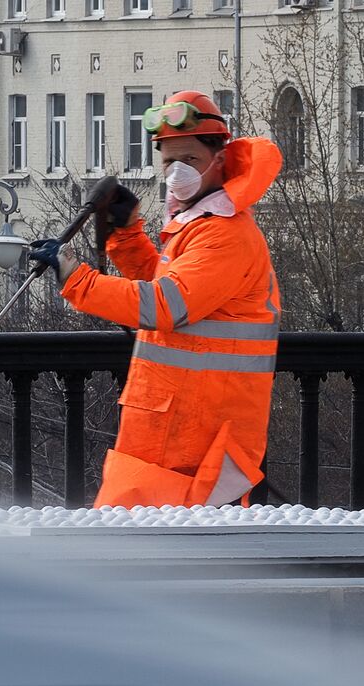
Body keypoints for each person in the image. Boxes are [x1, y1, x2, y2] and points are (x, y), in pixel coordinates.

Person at [29, 90, 283, 509]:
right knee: (137, 556)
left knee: (150, 560)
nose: (177, 172)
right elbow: (170, 288)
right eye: (168, 161)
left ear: (220, 160)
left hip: (194, 440)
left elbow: (165, 305)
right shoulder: (198, 223)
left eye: (190, 160)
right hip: (172, 429)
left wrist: (76, 277)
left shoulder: (226, 234)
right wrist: (126, 234)